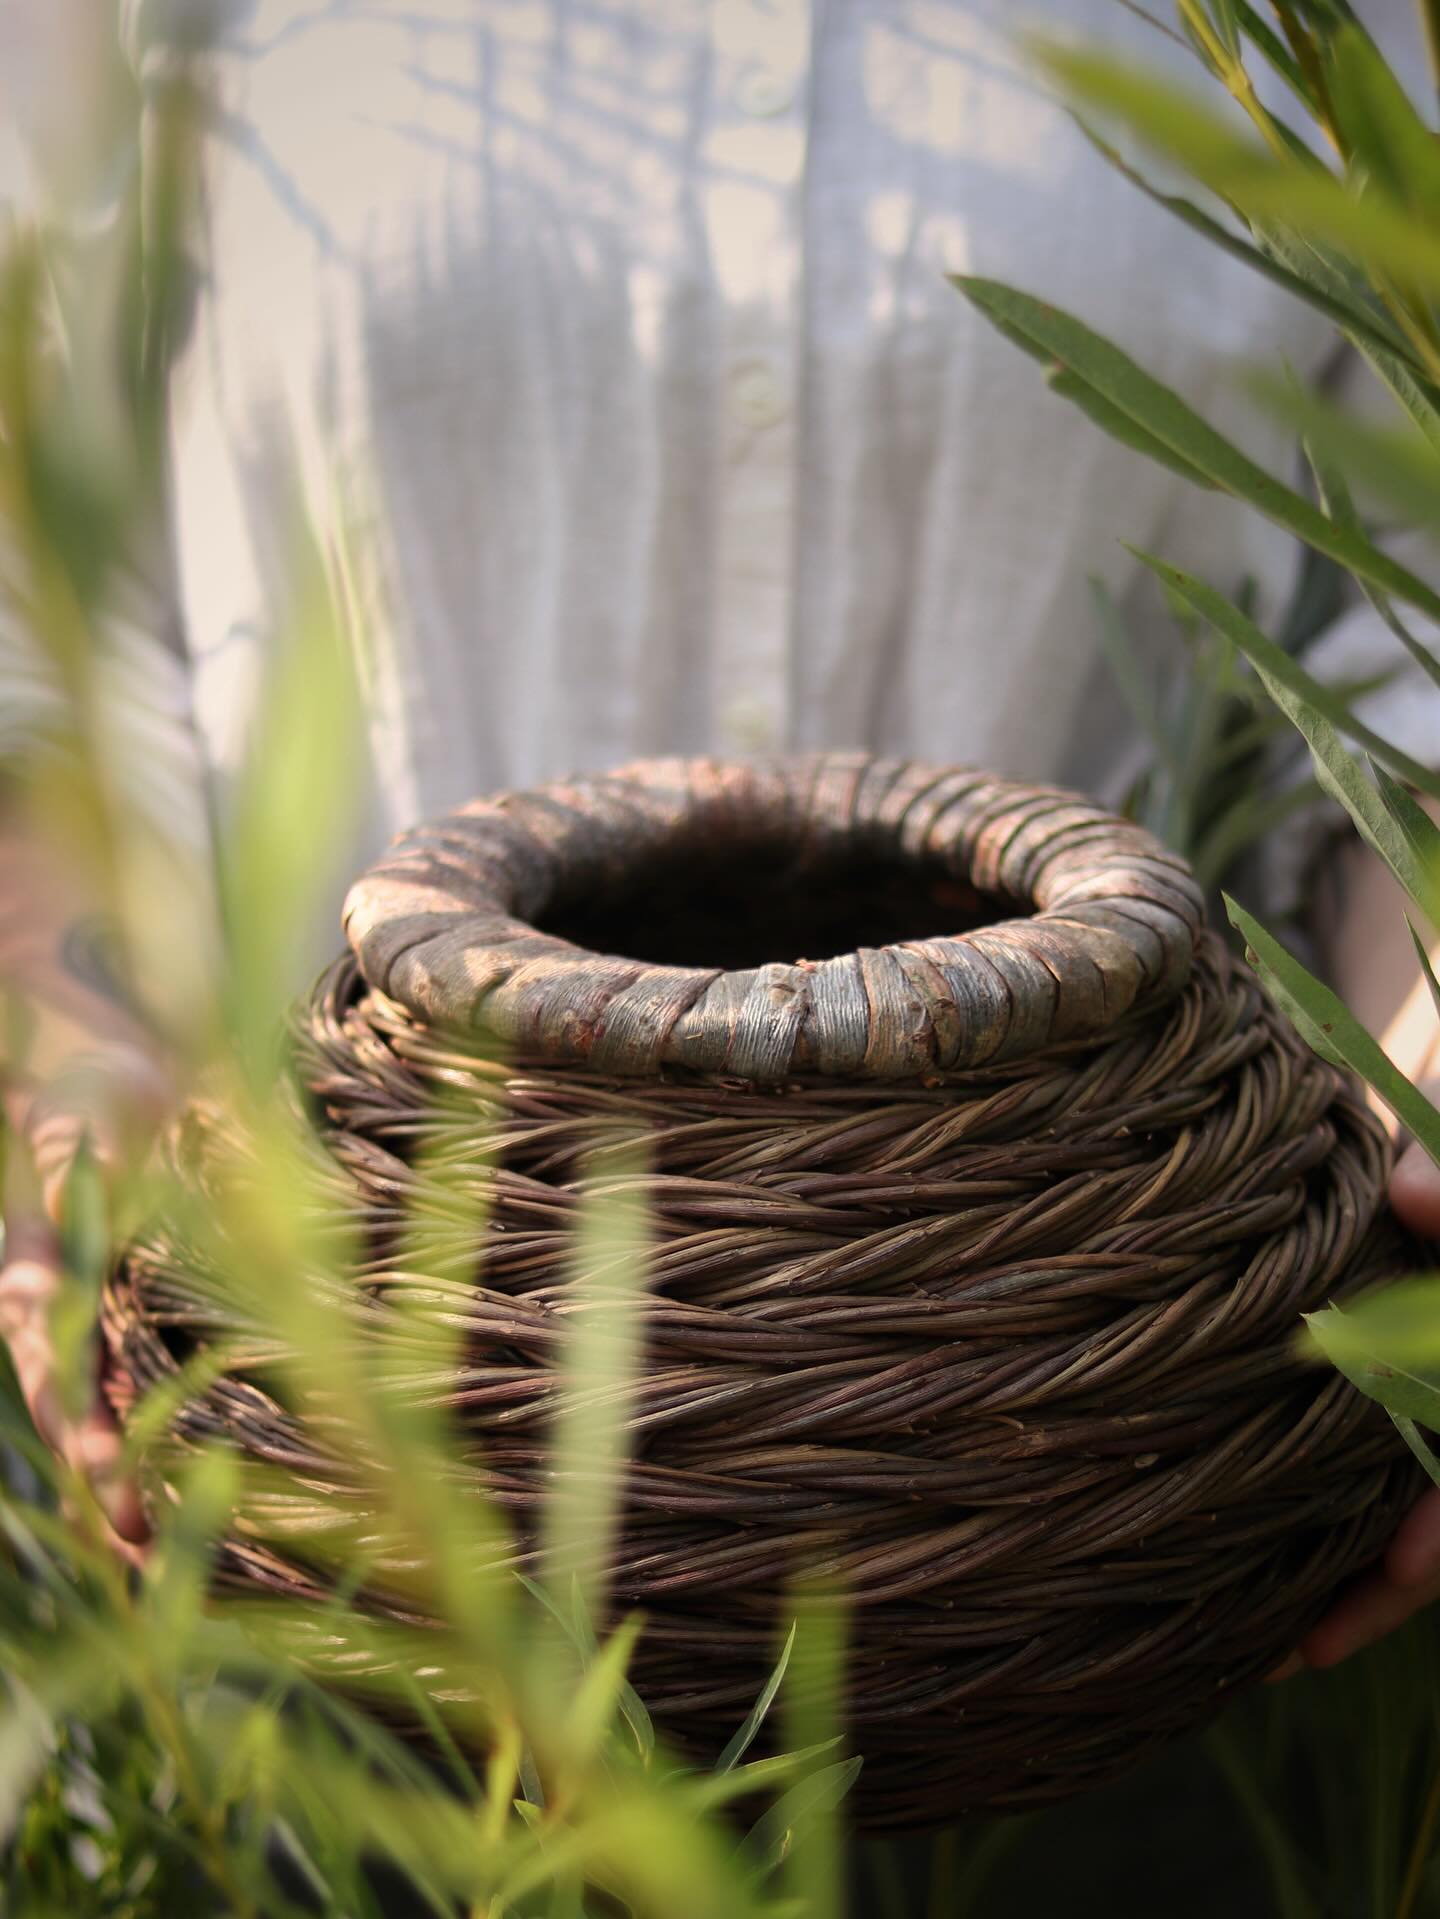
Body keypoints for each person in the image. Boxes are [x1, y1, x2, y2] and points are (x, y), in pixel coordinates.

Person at [2, 0, 1439, 1696]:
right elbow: (41, 622)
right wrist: (74, 1062)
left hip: (1145, 1452)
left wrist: (1421, 1051)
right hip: (358, 1435)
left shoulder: (1324, 30)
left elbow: (1399, 661)